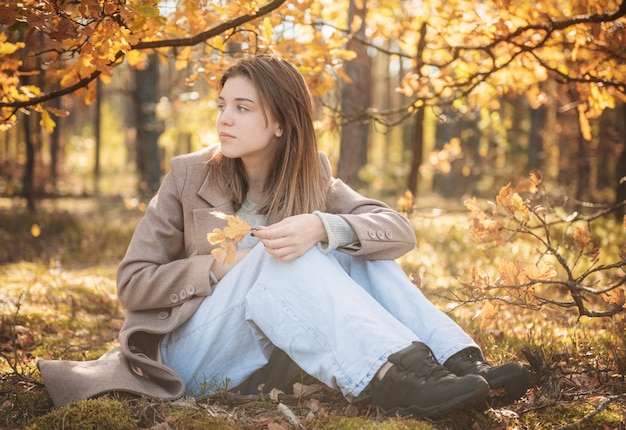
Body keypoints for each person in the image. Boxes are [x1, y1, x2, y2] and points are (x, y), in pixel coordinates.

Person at [38, 54, 531, 418]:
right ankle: (389, 377)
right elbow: (131, 282)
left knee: (350, 242)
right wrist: (213, 268)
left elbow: (397, 231)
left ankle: (455, 363)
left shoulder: (312, 176)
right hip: (186, 352)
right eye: (222, 105)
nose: (224, 119)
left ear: (278, 122)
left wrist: (323, 225)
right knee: (278, 257)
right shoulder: (188, 177)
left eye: (243, 108)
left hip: (263, 357)